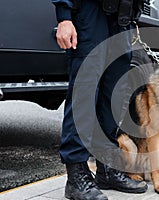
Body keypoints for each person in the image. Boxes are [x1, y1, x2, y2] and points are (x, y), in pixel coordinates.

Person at [51, 0, 149, 199]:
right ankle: (76, 176)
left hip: (122, 17)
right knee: (84, 95)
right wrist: (64, 17)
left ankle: (107, 170)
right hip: (90, 13)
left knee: (113, 94)